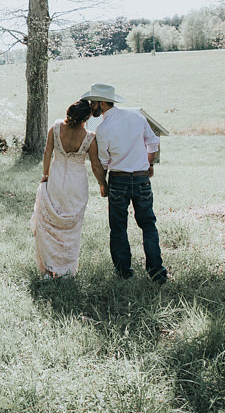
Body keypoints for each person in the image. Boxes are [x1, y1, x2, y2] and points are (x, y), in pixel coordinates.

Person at [81, 83, 167, 284]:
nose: (91, 106)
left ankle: (123, 272)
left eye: (93, 102)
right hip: (141, 177)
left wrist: (103, 184)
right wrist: (150, 163)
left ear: (102, 103)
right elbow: (153, 142)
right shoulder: (136, 116)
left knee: (118, 227)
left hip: (118, 180)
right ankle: (157, 272)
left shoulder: (102, 129)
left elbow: (103, 162)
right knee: (148, 225)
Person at [30, 100, 108, 277]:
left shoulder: (56, 127)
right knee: (71, 226)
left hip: (56, 180)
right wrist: (103, 184)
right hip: (76, 185)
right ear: (87, 117)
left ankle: (50, 269)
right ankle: (65, 270)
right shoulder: (89, 137)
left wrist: (45, 175)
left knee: (51, 223)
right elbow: (96, 166)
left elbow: (47, 153)